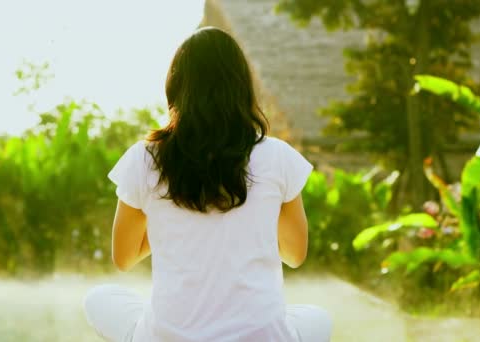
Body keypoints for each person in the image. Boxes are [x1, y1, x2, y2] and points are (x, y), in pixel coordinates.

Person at [84, 26, 332, 342]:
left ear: (175, 87)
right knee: (317, 318)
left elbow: (124, 257)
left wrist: (167, 221)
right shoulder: (277, 156)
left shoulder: (146, 158)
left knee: (99, 298)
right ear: (242, 87)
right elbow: (295, 255)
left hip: (167, 337)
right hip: (264, 337)